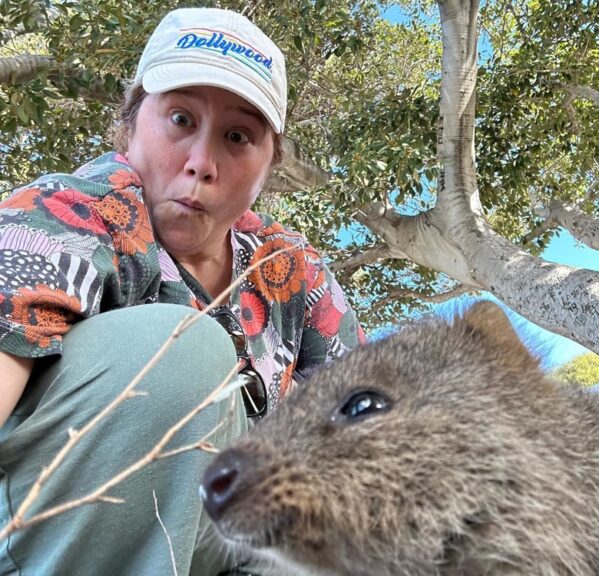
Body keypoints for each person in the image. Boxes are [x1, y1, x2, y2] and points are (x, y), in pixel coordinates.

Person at [0, 7, 364, 575]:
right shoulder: (70, 213)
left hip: (240, 540)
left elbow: (362, 427)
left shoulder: (293, 270)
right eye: (179, 119)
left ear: (271, 163)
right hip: (55, 532)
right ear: (130, 125)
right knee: (183, 355)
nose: (201, 163)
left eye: (237, 136)